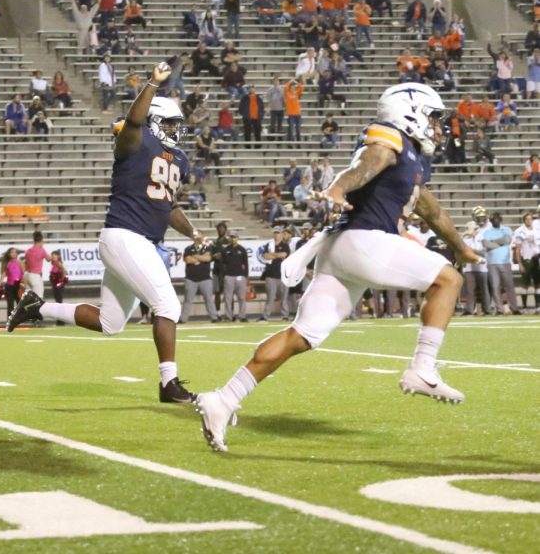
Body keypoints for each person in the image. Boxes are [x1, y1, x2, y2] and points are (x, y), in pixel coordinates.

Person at [195, 83, 483, 452]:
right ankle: (422, 368)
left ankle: (223, 398)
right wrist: (337, 187)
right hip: (363, 240)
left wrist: (461, 247)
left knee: (302, 336)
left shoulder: (412, 161)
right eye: (433, 116)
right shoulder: (388, 138)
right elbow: (366, 164)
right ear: (409, 111)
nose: (438, 126)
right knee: (447, 279)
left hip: (341, 250)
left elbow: (430, 209)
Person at [7, 62, 199, 404]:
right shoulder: (135, 141)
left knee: (110, 322)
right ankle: (168, 384)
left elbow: (168, 207)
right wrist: (153, 84)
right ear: (154, 121)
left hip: (136, 241)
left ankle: (37, 307)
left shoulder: (177, 159)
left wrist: (194, 231)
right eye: (169, 123)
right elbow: (134, 122)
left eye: (176, 124)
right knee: (167, 303)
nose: (175, 130)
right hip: (126, 236)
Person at [483, 213, 519, 315]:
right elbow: (486, 245)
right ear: (490, 221)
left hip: (505, 261)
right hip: (492, 262)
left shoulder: (506, 229)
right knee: (495, 287)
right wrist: (500, 242)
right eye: (494, 219)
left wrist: (493, 242)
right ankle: (499, 309)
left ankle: (514, 308)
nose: (496, 221)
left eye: (498, 219)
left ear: (501, 220)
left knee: (509, 286)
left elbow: (507, 240)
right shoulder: (487, 232)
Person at [180, 231, 218, 323]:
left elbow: (208, 258)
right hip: (191, 278)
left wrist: (195, 256)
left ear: (203, 236)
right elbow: (187, 260)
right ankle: (183, 319)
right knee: (188, 300)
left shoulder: (207, 247)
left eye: (200, 234)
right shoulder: (189, 248)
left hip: (205, 278)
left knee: (209, 299)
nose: (198, 236)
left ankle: (214, 317)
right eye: (196, 235)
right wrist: (201, 257)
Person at [514, 212, 540, 312]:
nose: (529, 221)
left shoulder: (537, 229)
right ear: (524, 220)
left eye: (531, 219)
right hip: (527, 258)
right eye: (527, 219)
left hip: (537, 258)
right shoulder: (520, 231)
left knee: (538, 283)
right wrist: (520, 264)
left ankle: (538, 306)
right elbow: (517, 249)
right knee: (525, 283)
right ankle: (524, 307)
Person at [220, 231, 248, 322]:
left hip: (240, 276)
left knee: (242, 297)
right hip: (229, 276)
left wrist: (245, 276)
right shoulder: (225, 250)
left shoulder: (242, 249)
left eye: (234, 237)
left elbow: (246, 264)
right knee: (228, 298)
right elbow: (222, 264)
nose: (233, 239)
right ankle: (228, 316)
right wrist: (224, 275)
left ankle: (242, 316)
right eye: (231, 237)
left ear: (237, 238)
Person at [0, 247, 24, 318]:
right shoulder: (7, 263)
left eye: (15, 252)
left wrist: (23, 284)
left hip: (18, 286)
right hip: (9, 286)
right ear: (9, 254)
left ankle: (19, 319)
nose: (14, 254)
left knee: (20, 303)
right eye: (12, 252)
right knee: (10, 305)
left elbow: (24, 274)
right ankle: (10, 320)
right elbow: (3, 275)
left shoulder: (20, 262)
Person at [24, 230, 50, 298]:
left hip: (27, 274)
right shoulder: (41, 250)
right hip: (35, 275)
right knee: (38, 298)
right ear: (41, 240)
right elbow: (48, 259)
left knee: (28, 298)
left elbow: (26, 262)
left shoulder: (28, 250)